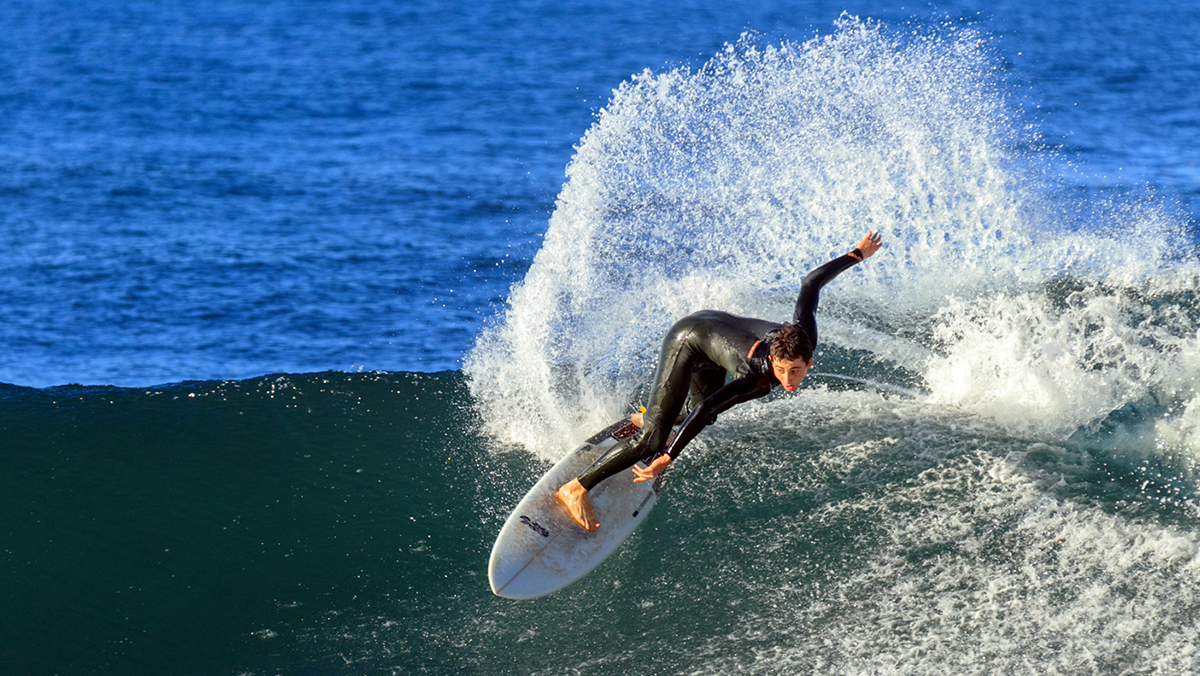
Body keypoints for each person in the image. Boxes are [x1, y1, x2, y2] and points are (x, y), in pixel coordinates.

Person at [556, 231, 884, 531]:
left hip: (714, 336)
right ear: (772, 359)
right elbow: (711, 404)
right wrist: (669, 455)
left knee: (694, 413)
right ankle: (576, 488)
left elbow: (810, 284)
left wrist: (858, 254)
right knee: (652, 443)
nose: (787, 379)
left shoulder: (803, 336)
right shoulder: (756, 374)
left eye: (795, 371)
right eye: (781, 370)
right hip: (688, 339)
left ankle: (651, 417)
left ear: (808, 361)